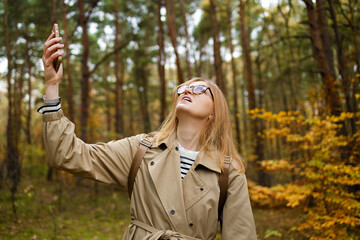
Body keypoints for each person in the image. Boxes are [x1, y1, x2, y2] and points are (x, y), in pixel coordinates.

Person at [39, 31, 256, 240]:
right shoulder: (142, 149)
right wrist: (52, 85)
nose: (187, 91)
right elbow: (66, 154)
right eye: (182, 89)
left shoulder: (228, 171)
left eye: (199, 89)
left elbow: (241, 235)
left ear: (214, 112)